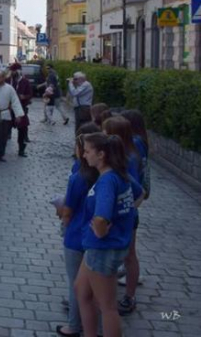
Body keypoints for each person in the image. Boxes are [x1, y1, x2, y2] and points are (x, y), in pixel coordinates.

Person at [75, 133, 143, 337]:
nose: (84, 156)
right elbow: (139, 194)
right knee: (82, 290)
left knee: (107, 306)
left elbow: (101, 217)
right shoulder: (119, 174)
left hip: (103, 248)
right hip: (102, 247)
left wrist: (101, 229)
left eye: (87, 151)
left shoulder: (107, 181)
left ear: (101, 154)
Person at [55, 126, 100, 337]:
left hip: (75, 236)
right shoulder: (105, 175)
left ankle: (73, 325)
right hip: (95, 238)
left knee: (76, 284)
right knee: (93, 284)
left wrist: (63, 220)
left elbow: (68, 210)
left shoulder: (78, 177)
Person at [102, 116, 147, 317]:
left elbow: (138, 191)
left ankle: (129, 296)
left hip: (123, 216)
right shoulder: (124, 154)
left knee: (128, 255)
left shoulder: (128, 158)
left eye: (106, 132)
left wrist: (128, 210)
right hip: (119, 214)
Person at [0, 70, 24, 164]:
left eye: (0, 77)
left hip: (5, 115)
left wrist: (18, 114)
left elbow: (15, 101)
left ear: (4, 77)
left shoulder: (10, 89)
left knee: (4, 136)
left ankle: (1, 154)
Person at [9, 63, 33, 158]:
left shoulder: (25, 81)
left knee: (22, 128)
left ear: (18, 71)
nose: (13, 72)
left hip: (21, 108)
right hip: (9, 108)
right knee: (3, 129)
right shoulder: (8, 81)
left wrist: (24, 97)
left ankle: (21, 149)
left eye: (14, 70)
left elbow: (30, 94)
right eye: (12, 71)